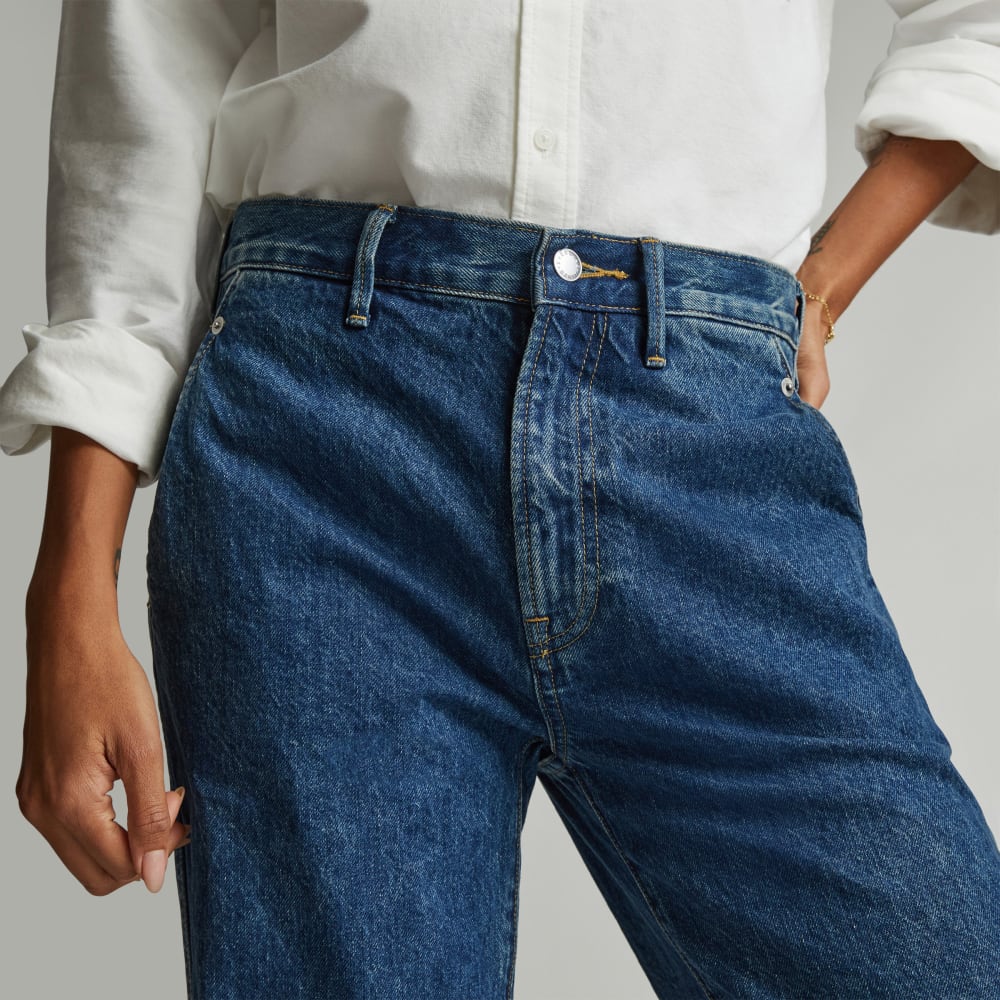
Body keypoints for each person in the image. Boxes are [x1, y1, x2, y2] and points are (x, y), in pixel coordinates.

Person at [2, 1, 999, 997]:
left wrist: (822, 285)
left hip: (706, 425)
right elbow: (147, 83)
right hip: (322, 451)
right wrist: (68, 590)